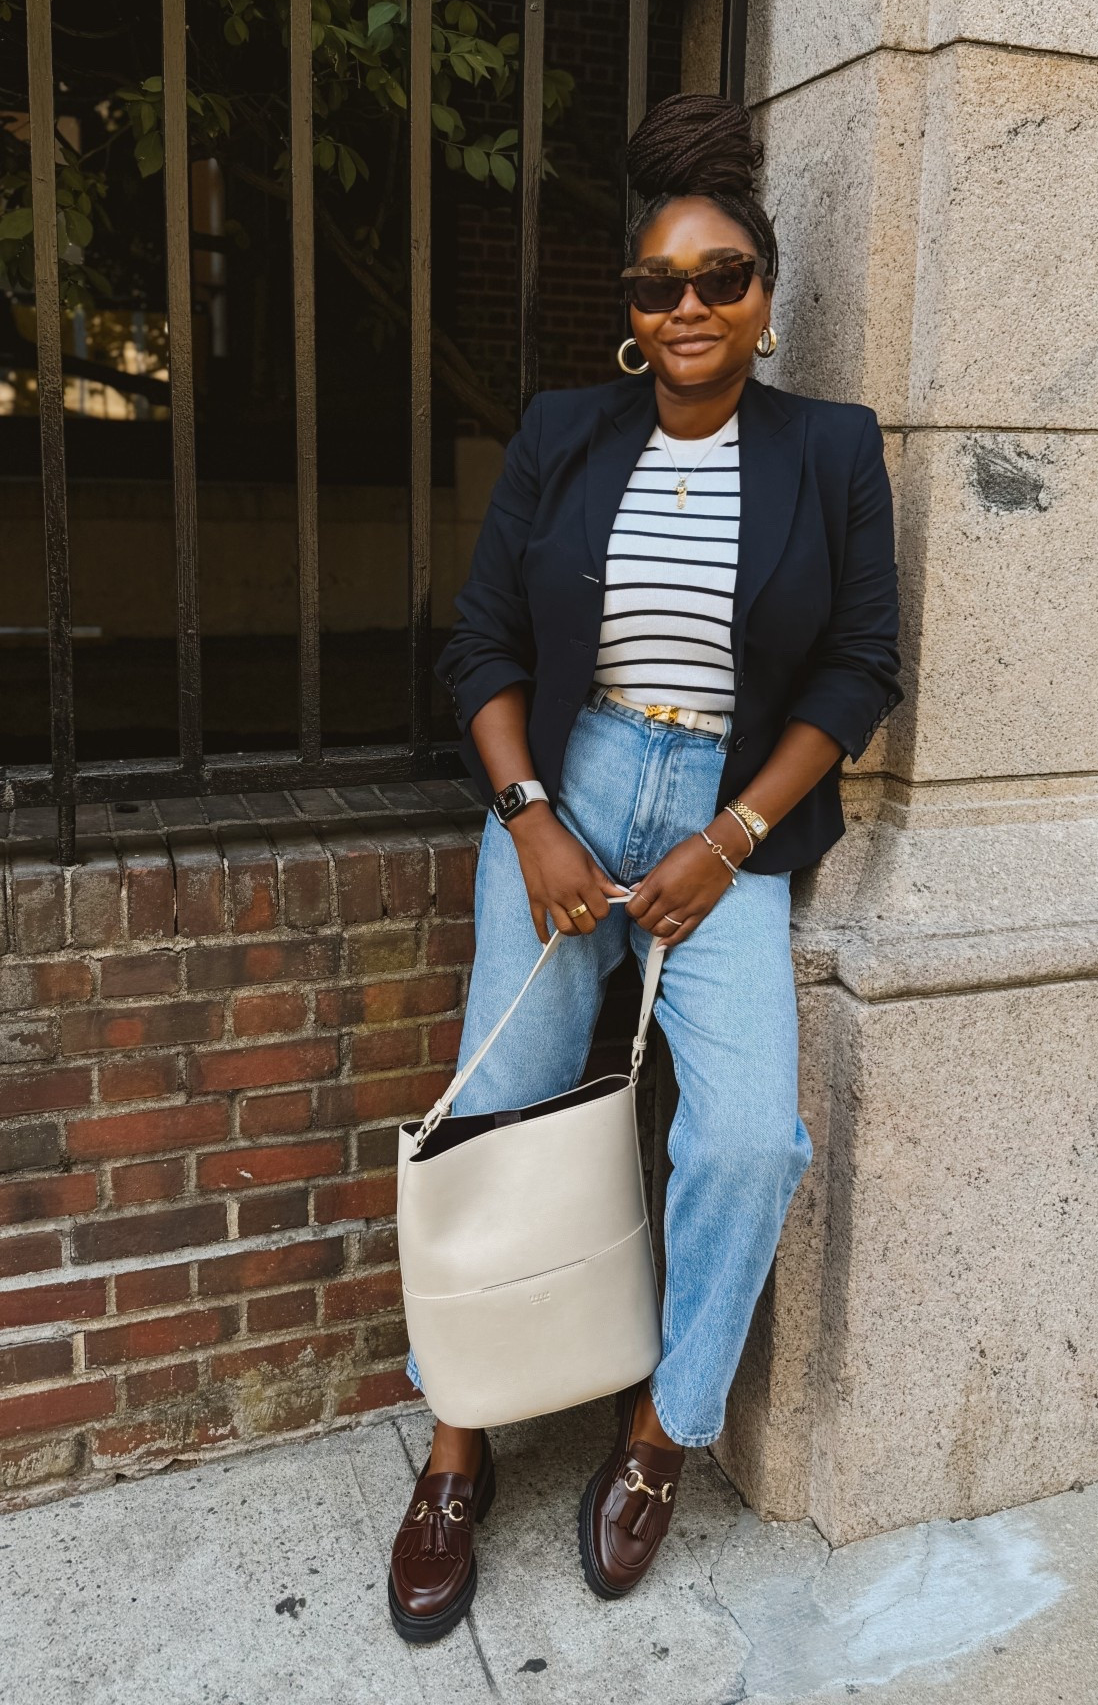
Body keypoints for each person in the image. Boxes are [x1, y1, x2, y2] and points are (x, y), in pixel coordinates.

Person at [388, 94, 902, 1641]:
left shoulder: (830, 451)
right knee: (503, 1109)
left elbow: (860, 669)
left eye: (720, 278)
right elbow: (479, 642)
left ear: (764, 294)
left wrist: (734, 835)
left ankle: (661, 1435)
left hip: (729, 817)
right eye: (658, 285)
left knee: (747, 1139)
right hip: (572, 775)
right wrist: (532, 813)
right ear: (630, 311)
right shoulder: (565, 435)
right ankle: (459, 1445)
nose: (689, 307)